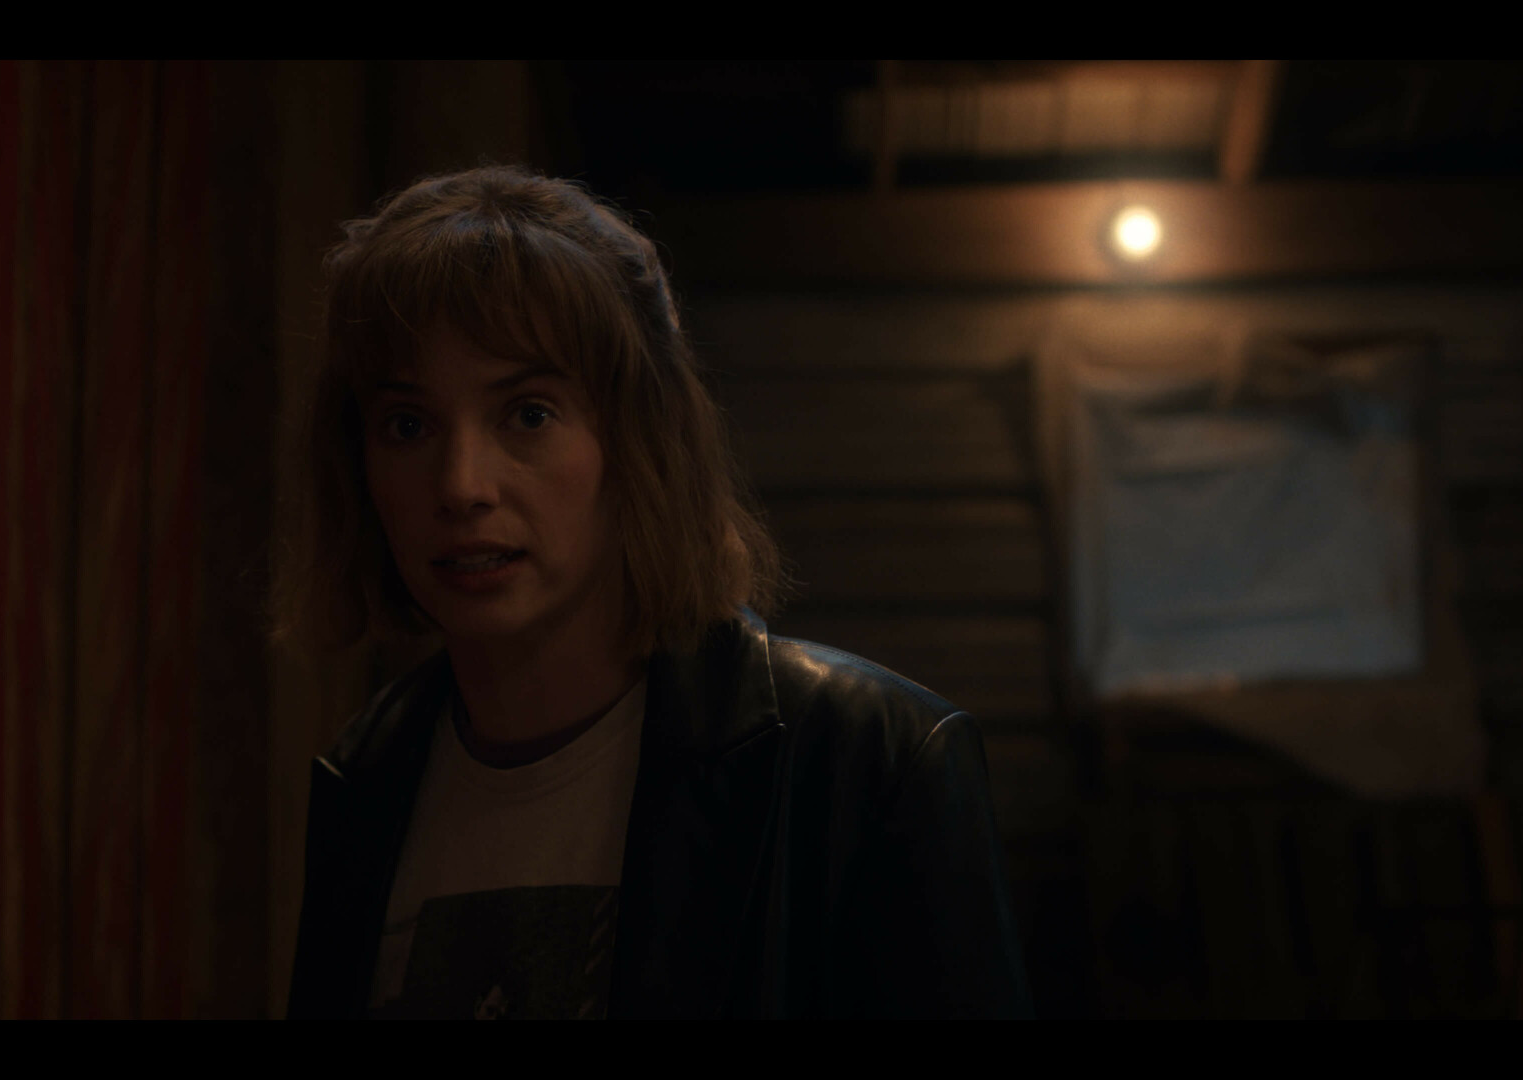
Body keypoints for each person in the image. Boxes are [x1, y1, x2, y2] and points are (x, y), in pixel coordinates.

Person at [273, 163, 1034, 1019]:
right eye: (407, 425)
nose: (460, 485)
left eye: (528, 413)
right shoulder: (368, 776)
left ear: (637, 439)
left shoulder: (864, 758)